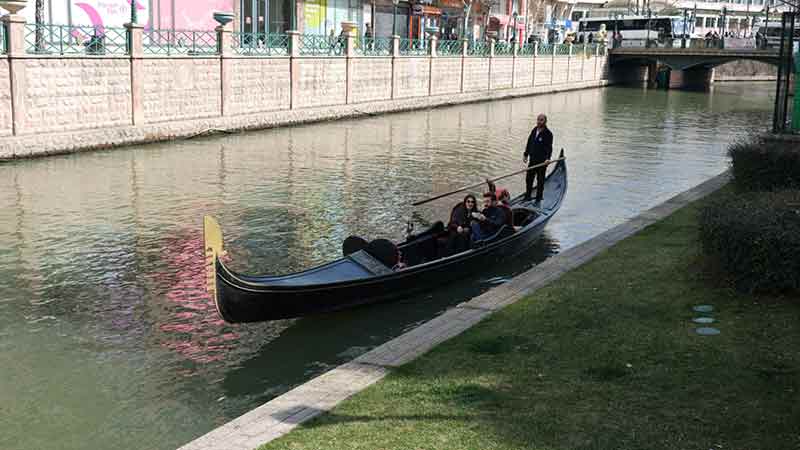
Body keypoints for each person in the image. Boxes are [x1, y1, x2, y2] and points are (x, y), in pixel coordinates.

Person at [523, 113, 553, 202]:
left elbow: (549, 147)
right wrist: (525, 154)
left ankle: (539, 198)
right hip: (532, 160)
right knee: (529, 179)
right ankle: (527, 196)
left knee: (540, 180)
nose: (539, 122)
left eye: (541, 120)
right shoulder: (534, 130)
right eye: (538, 119)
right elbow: (529, 142)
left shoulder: (548, 134)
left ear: (545, 121)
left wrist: (548, 158)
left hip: (542, 161)